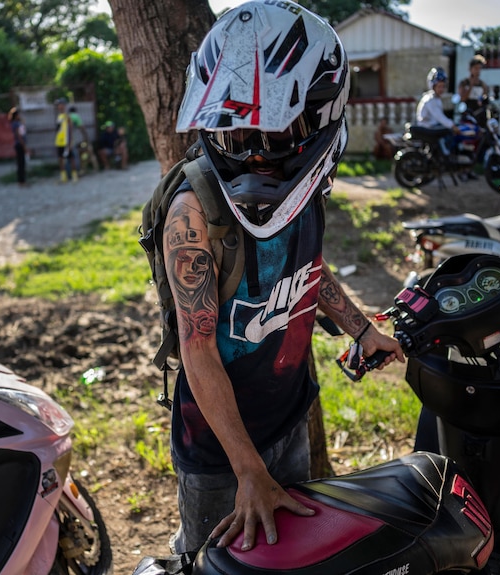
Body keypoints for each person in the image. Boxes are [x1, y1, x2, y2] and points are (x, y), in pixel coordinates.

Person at [165, 1, 404, 555]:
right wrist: (247, 470)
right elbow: (197, 347)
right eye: (235, 137)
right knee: (213, 565)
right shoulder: (192, 214)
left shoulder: (309, 186)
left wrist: (361, 330)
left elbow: (308, 268)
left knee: (290, 557)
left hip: (288, 414)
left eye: (273, 134)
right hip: (219, 450)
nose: (253, 160)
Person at [54, 98, 78, 183]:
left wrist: (70, 142)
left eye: (60, 105)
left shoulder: (67, 116)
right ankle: (63, 177)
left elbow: (70, 130)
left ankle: (74, 176)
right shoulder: (59, 116)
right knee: (60, 159)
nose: (59, 106)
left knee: (71, 158)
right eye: (58, 105)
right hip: (59, 142)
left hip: (66, 142)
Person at [8, 107, 28, 186]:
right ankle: (21, 181)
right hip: (19, 145)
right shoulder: (15, 124)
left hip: (20, 144)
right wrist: (24, 145)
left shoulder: (18, 123)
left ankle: (22, 180)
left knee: (22, 163)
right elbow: (19, 136)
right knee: (21, 164)